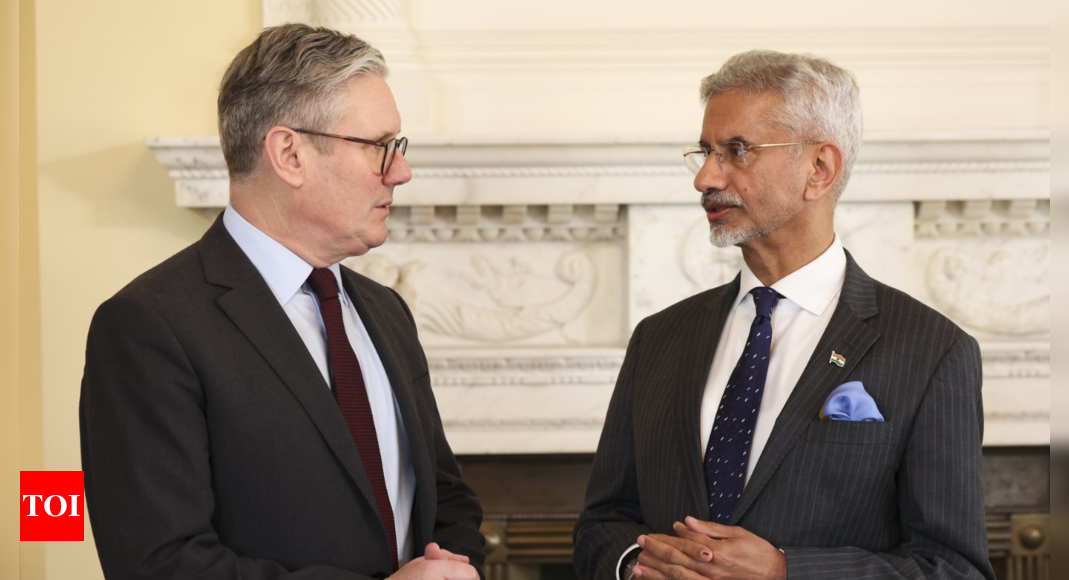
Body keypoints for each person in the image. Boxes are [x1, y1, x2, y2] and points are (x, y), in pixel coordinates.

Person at [80, 23, 484, 580]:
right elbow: (158, 563)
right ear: (289, 154)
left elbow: (446, 498)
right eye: (379, 147)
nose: (402, 171)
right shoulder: (148, 325)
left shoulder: (386, 311)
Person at [573, 50, 994, 580]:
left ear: (819, 169)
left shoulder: (933, 351)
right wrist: (636, 564)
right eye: (705, 151)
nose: (705, 177)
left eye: (737, 150)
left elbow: (955, 569)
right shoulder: (659, 338)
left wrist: (786, 571)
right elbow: (601, 525)